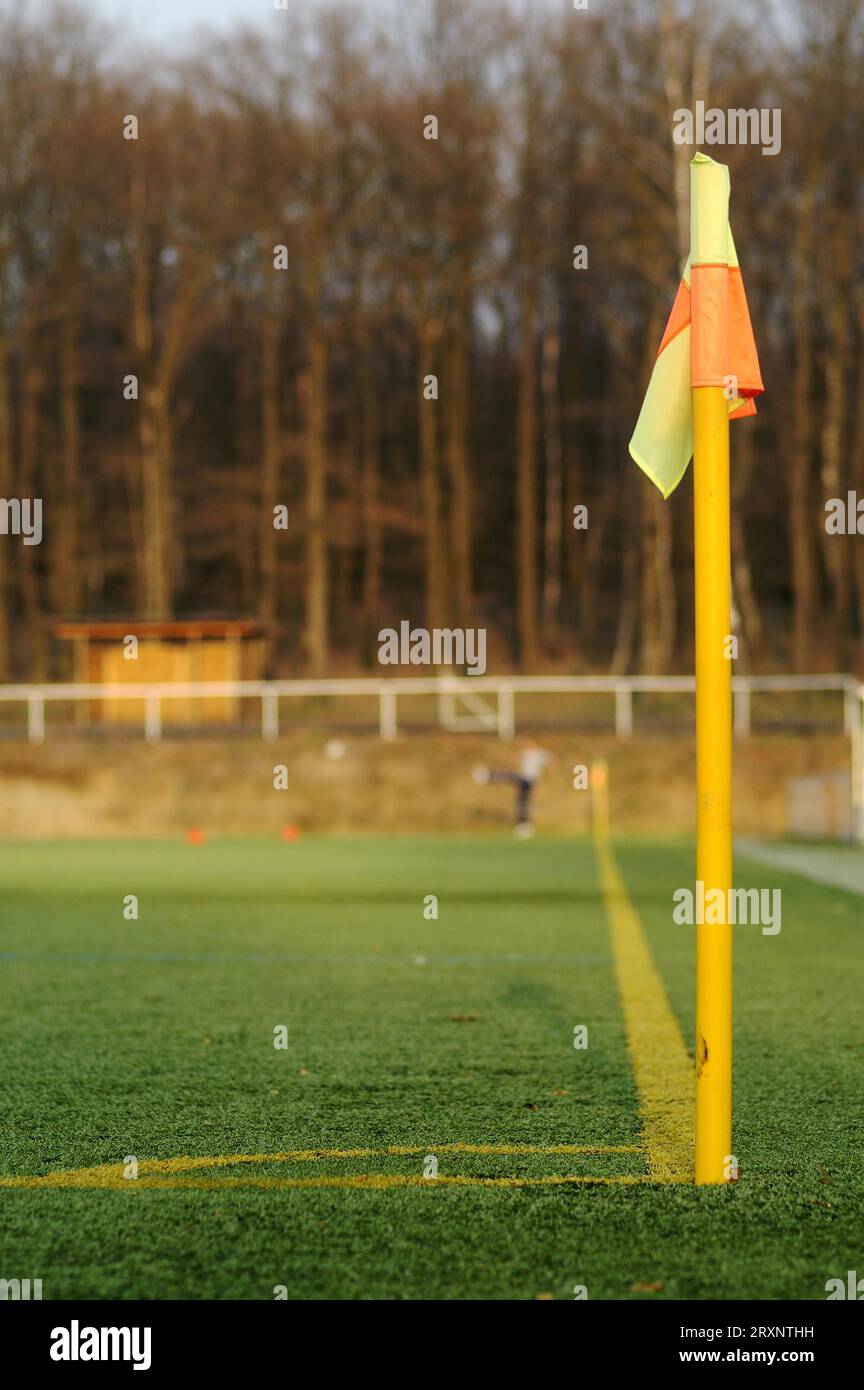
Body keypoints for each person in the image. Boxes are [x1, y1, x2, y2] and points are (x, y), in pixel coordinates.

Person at [473, 738, 552, 837]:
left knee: (513, 782)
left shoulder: (539, 753)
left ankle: (488, 776)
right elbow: (515, 762)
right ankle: (524, 825)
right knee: (522, 801)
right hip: (523, 778)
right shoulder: (525, 753)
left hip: (529, 780)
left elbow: (550, 762)